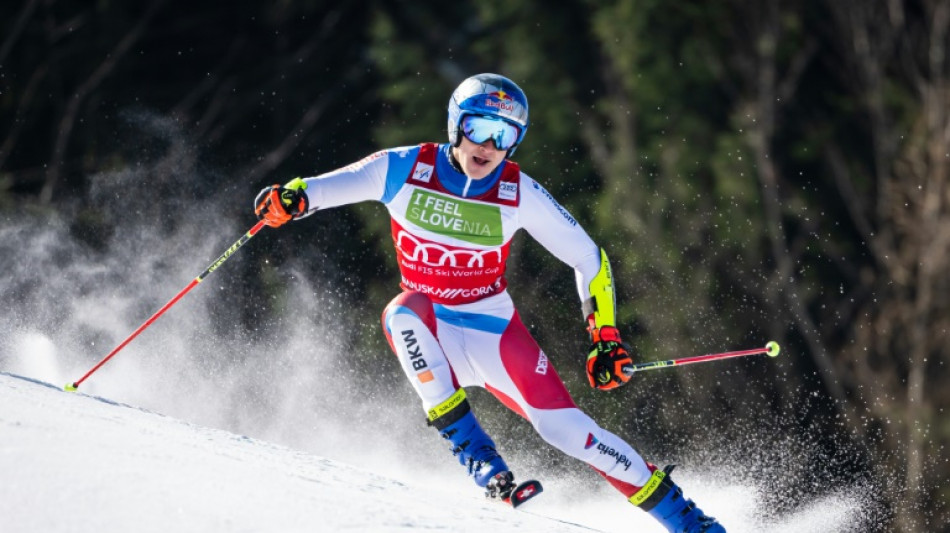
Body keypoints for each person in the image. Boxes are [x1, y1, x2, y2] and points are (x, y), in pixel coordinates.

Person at [254, 73, 726, 533]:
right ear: (455, 125)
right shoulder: (402, 167)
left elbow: (589, 258)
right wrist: (291, 198)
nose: (487, 146)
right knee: (401, 311)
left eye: (504, 136)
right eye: (478, 128)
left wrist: (604, 337)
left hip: (492, 331)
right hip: (431, 323)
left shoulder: (517, 191)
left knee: (567, 432)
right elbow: (323, 188)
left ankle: (690, 524)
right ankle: (484, 464)